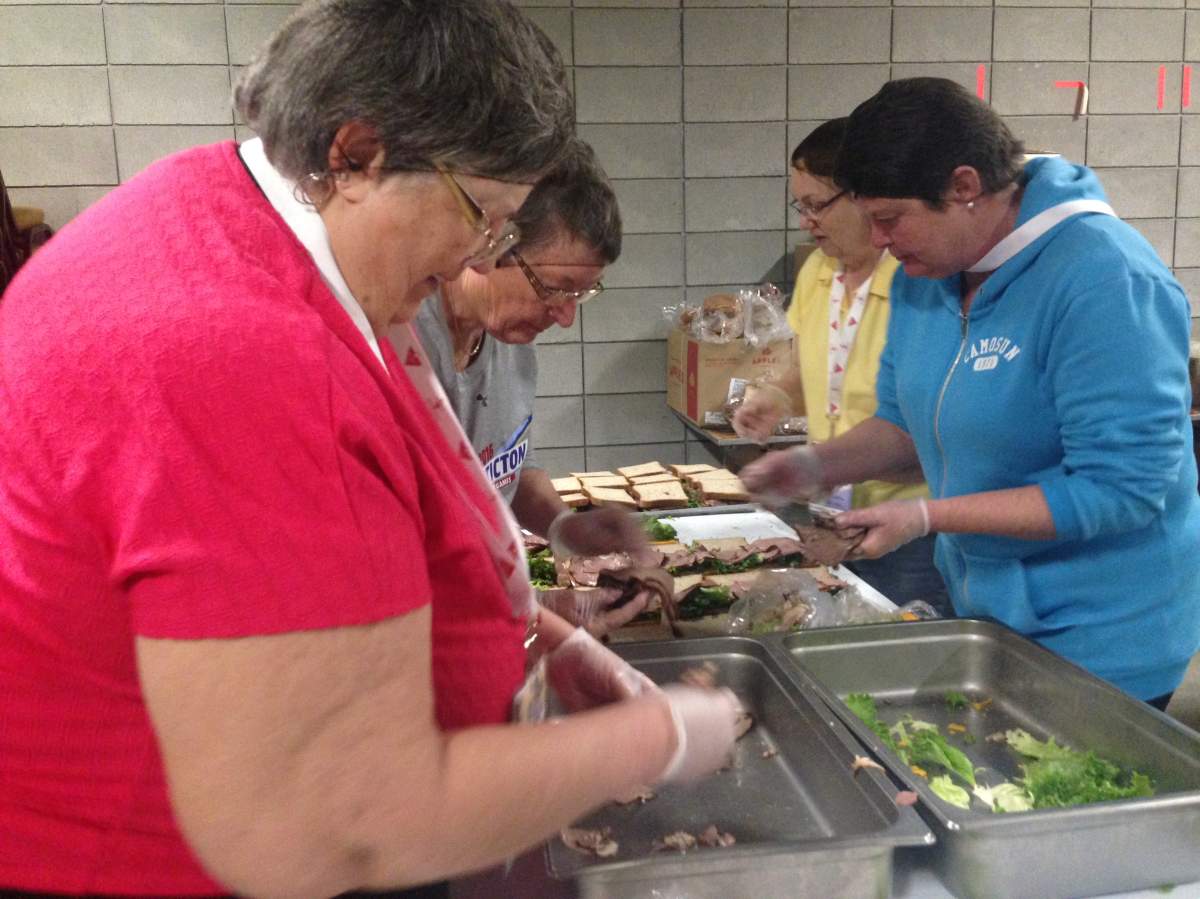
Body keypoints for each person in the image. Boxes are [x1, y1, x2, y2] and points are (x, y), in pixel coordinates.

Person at [0, 3, 740, 897]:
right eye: (486, 217)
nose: (479, 253)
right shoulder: (239, 352)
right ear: (355, 156)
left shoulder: (234, 218)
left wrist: (541, 645)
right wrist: (663, 736)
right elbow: (329, 827)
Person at [741, 77, 1200, 708]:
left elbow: (1122, 489)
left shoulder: (1103, 280)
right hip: (987, 608)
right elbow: (906, 425)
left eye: (890, 219)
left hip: (1103, 636)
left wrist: (926, 516)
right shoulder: (926, 275)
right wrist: (814, 465)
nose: (877, 241)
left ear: (964, 187)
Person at [733, 119, 949, 614]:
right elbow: (813, 361)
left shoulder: (916, 279)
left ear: (861, 197)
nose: (806, 220)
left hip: (908, 518)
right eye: (800, 206)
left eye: (817, 204)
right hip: (832, 511)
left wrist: (818, 464)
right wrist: (778, 397)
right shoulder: (818, 271)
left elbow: (928, 416)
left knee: (895, 647)